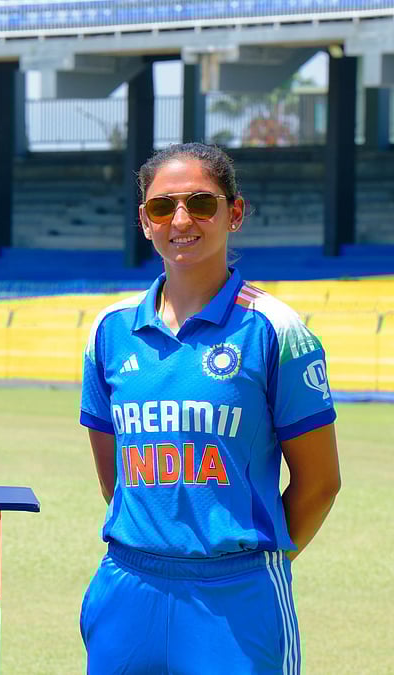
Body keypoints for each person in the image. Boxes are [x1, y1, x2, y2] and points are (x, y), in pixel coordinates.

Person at [78, 142, 342, 674]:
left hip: (235, 596)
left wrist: (251, 563)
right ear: (144, 221)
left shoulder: (276, 329)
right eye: (162, 207)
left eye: (201, 203)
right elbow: (115, 481)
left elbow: (320, 483)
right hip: (127, 586)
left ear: (234, 213)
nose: (181, 221)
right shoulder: (110, 330)